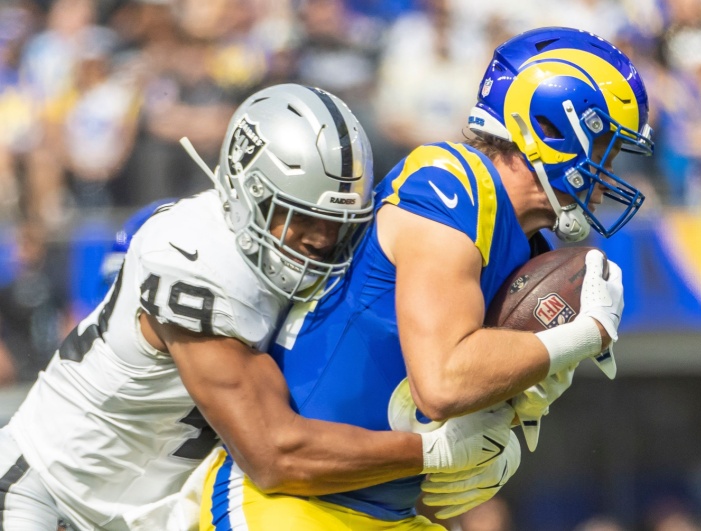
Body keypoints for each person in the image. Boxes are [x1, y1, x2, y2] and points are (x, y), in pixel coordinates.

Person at [0, 84, 518, 531]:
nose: (319, 242)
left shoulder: (333, 260)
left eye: (336, 223)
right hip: (51, 495)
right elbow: (276, 452)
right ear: (244, 190)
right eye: (298, 219)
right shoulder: (197, 257)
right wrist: (436, 453)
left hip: (159, 512)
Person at [202, 26, 654, 529]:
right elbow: (441, 383)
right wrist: (585, 334)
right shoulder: (451, 185)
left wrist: (500, 433)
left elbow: (441, 439)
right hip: (292, 504)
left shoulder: (528, 247)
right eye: (605, 151)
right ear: (552, 129)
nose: (608, 175)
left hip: (383, 510)